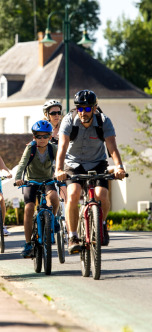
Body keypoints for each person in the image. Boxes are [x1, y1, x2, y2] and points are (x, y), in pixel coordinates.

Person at [55, 90, 126, 254]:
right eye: (80, 108)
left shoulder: (103, 121)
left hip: (97, 162)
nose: (83, 112)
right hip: (73, 163)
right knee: (73, 194)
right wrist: (59, 169)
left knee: (102, 195)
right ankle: (72, 236)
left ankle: (101, 224)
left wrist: (119, 167)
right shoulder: (69, 120)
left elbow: (112, 147)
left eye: (87, 109)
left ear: (94, 108)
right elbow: (62, 147)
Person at [15, 120, 59, 258]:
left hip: (47, 180)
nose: (42, 139)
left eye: (45, 136)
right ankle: (28, 243)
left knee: (54, 198)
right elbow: (22, 164)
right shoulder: (31, 148)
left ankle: (53, 218)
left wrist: (61, 173)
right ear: (34, 137)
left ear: (50, 137)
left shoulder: (53, 148)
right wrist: (18, 178)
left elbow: (60, 162)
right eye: (38, 136)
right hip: (31, 181)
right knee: (28, 208)